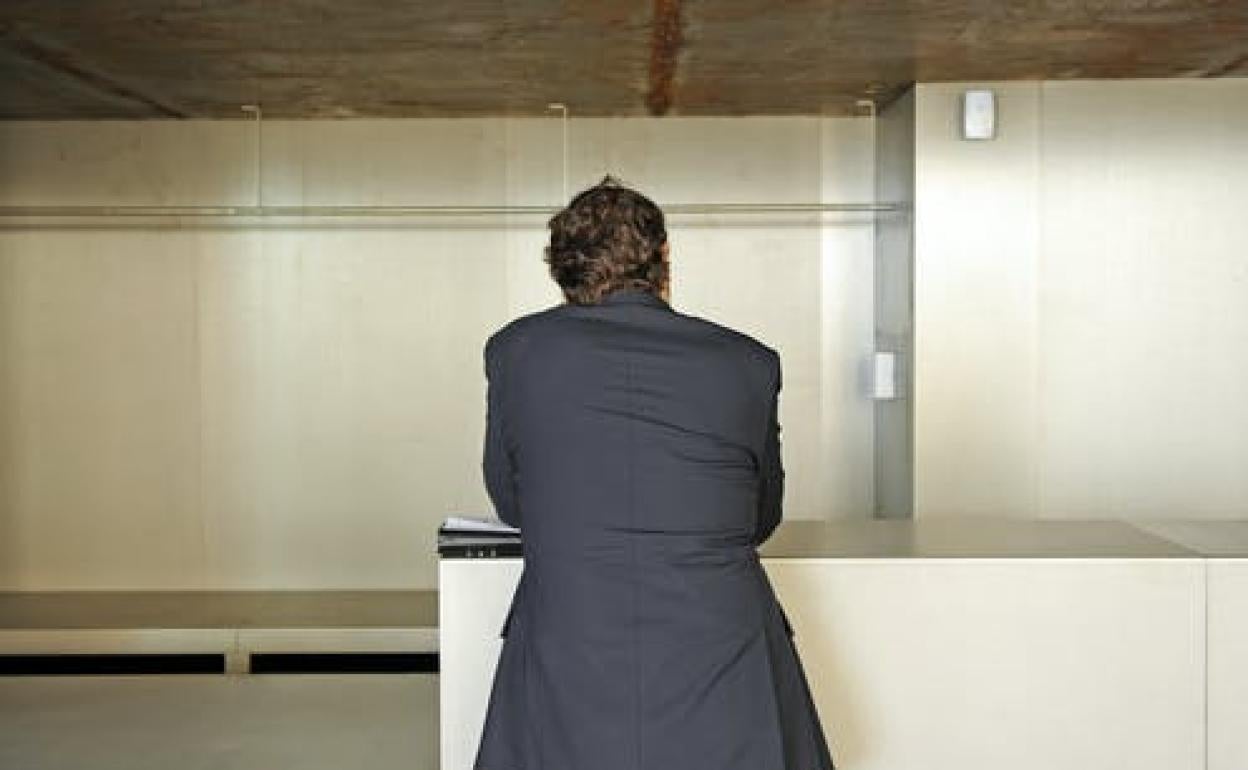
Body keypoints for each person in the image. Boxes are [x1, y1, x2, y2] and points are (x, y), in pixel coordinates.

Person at [474, 175, 836, 770]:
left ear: (562, 271)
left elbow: (513, 505)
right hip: (724, 654)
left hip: (571, 643)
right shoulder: (748, 361)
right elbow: (759, 518)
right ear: (663, 257)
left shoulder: (516, 352)